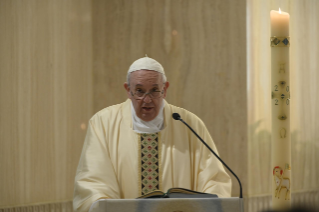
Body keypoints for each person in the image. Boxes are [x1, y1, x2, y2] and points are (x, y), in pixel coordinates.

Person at [73, 56, 232, 212]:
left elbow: (214, 179)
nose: (147, 100)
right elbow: (94, 182)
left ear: (165, 89)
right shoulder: (103, 123)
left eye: (155, 91)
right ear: (128, 90)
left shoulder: (188, 123)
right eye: (140, 91)